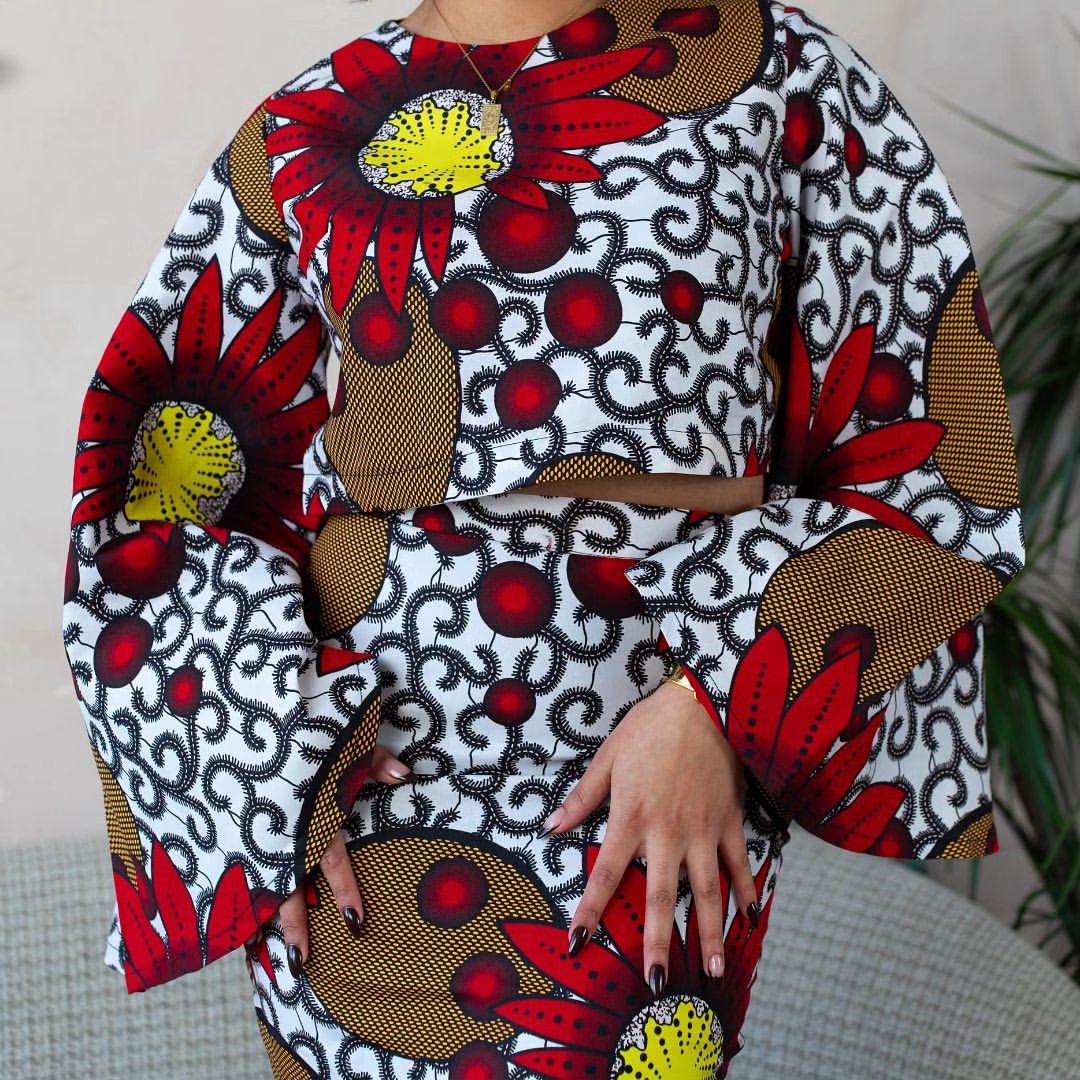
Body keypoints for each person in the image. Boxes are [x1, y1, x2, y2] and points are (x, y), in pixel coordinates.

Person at [60, 0, 1027, 1076]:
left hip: (663, 770)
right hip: (368, 782)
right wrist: (258, 768)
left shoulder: (778, 72)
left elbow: (931, 452)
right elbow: (154, 478)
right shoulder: (307, 119)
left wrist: (719, 701)